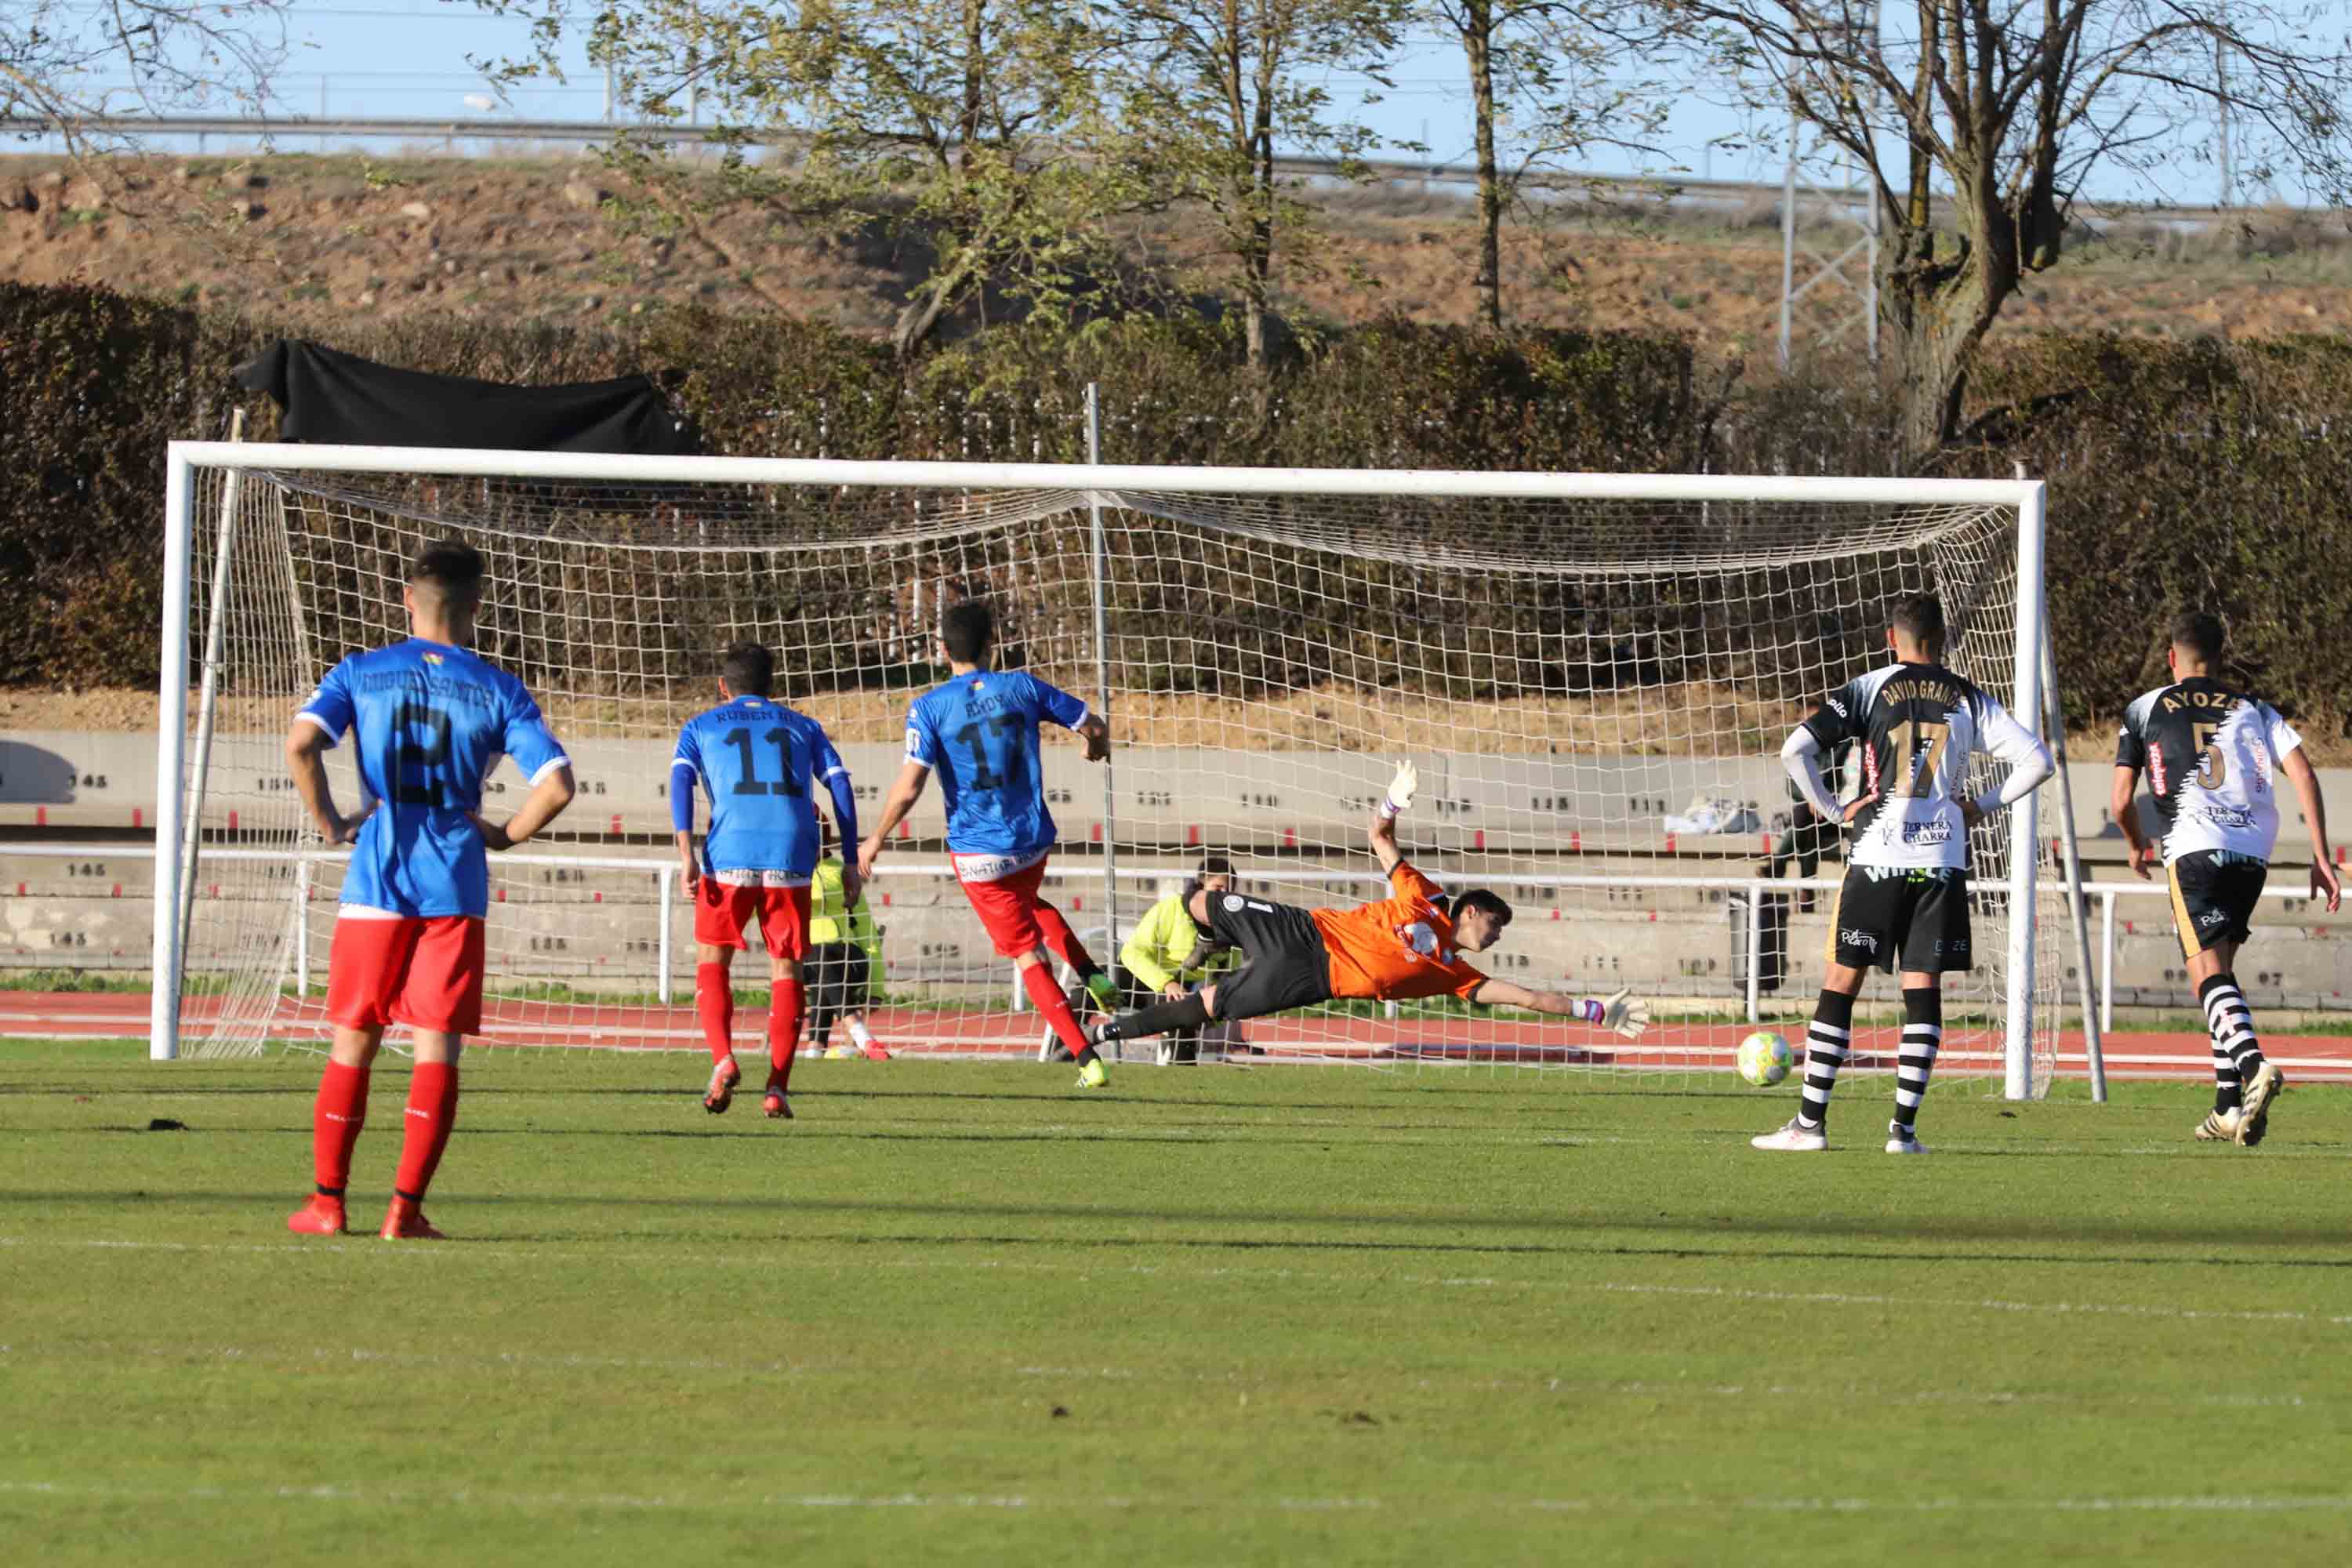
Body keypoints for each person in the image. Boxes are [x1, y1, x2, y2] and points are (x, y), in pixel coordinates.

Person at [283, 539, 576, 1240]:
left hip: (376, 878)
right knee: (436, 1047)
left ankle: (327, 1205)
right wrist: (503, 834)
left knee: (355, 1038)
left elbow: (300, 744)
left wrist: (330, 823)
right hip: (453, 882)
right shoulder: (500, 689)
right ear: (476, 608)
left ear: (408, 599)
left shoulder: (361, 671)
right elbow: (558, 786)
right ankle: (403, 1212)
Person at [1753, 593, 2053, 1156]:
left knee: (1842, 984)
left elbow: (1796, 751)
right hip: (1941, 861)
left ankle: (1809, 1126)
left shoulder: (1869, 688)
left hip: (1878, 856)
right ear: (1943, 641)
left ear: (1892, 639)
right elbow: (2039, 760)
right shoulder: (1967, 697)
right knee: (1924, 992)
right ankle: (1903, 1133)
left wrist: (1833, 808)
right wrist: (1981, 806)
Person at [1091, 764, 1650, 1050]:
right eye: (1496, 924)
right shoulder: (1425, 896)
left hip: (1313, 980)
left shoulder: (1456, 976)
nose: (1498, 936)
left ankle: (1108, 1032)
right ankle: (1214, 938)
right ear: (1472, 911)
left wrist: (1593, 1011)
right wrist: (1393, 801)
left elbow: (1527, 998)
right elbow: (1379, 835)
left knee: (1207, 1008)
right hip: (1303, 930)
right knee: (1205, 898)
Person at [858, 600, 1120, 1087]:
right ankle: (1094, 974)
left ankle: (1086, 1057)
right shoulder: (1021, 685)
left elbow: (911, 785)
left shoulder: (930, 707)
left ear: (941, 650)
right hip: (1032, 841)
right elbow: (1095, 726)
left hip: (979, 855)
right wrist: (1094, 747)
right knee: (1029, 903)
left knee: (1027, 955)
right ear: (991, 643)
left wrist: (875, 838)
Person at [2111, 611, 2340, 1146]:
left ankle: (2254, 1064)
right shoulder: (2254, 709)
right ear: (2221, 655)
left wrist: (2134, 842)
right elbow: (2304, 772)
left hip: (2193, 848)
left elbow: (2122, 799)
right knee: (2222, 974)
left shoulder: (2145, 708)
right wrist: (2321, 854)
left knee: (2206, 976)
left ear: (2172, 657)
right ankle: (2226, 1106)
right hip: (2250, 853)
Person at [672, 641, 861, 1120]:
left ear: (722, 686)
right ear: (772, 685)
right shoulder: (803, 726)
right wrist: (852, 856)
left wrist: (686, 855)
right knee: (787, 967)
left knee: (714, 959)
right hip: (790, 854)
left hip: (729, 853)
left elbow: (681, 784)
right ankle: (777, 1087)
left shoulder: (699, 727)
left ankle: (723, 1059)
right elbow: (839, 782)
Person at [1116, 856, 1242, 1064]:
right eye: (1218, 887)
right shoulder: (1171, 908)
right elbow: (1132, 952)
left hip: (1187, 990)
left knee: (1183, 1010)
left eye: (1228, 890)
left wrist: (1218, 1003)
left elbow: (1231, 972)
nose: (1223, 894)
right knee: (1084, 993)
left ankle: (1182, 1074)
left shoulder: (1231, 924)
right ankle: (1062, 1058)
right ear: (1201, 884)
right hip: (1145, 980)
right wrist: (1166, 982)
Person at [808, 815, 889, 1061]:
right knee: (818, 956)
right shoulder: (783, 875)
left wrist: (876, 988)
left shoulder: (843, 873)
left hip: (849, 960)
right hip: (805, 959)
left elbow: (867, 934)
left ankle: (815, 1046)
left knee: (822, 959)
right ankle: (861, 1036)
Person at [1763, 735, 1850, 913]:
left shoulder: (1841, 745)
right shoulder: (1801, 751)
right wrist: (1810, 796)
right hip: (1813, 819)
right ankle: (1805, 894)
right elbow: (1791, 786)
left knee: (1803, 819)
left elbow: (1843, 782)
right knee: (1806, 827)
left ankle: (1780, 866)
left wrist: (1820, 798)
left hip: (1839, 814)